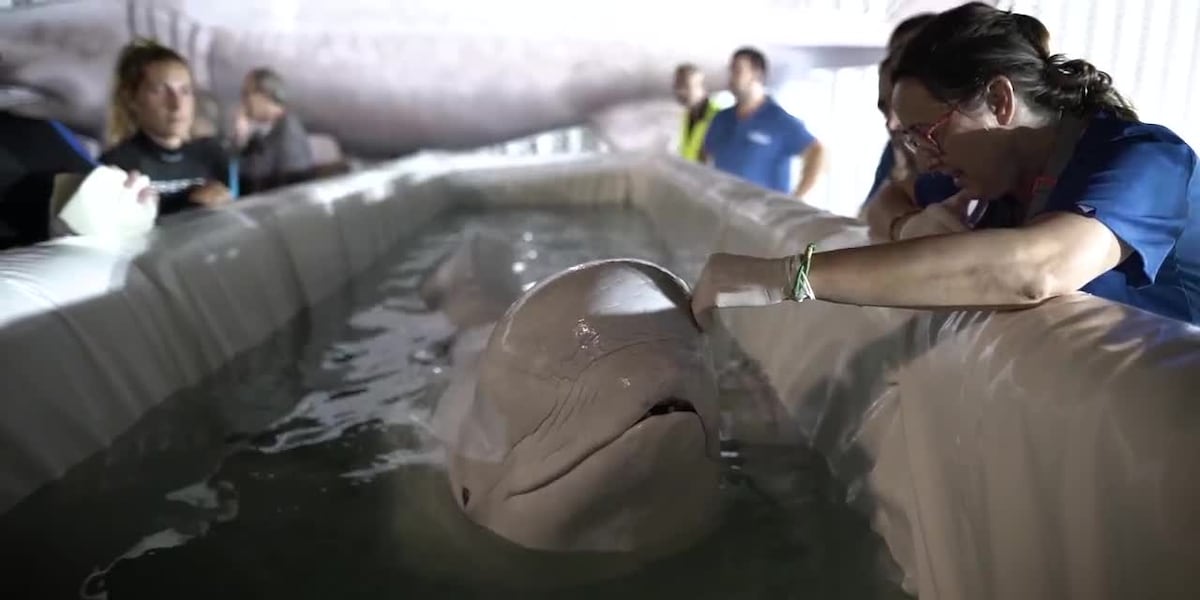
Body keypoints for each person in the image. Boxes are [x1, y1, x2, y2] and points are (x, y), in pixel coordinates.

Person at [690, 4, 1199, 325]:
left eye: (926, 135)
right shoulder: (996, 179)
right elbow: (884, 202)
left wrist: (789, 276)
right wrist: (908, 223)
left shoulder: (1142, 159)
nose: (922, 158)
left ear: (1000, 101)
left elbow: (1037, 268)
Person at [99, 39, 232, 217]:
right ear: (131, 99)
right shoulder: (115, 167)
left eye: (185, 91)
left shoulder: (212, 155)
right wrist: (189, 203)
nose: (176, 104)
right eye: (160, 91)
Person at [859, 11, 960, 241]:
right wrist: (908, 227)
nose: (893, 124)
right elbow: (877, 207)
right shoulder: (899, 154)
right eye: (886, 108)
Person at [703, 47, 825, 198]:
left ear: (756, 74)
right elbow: (705, 155)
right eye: (731, 71)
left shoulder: (778, 120)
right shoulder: (721, 118)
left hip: (762, 216)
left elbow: (817, 152)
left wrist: (797, 198)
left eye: (737, 70)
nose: (731, 77)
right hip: (725, 210)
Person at [238, 67, 315, 194]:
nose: (243, 100)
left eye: (247, 93)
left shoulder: (289, 134)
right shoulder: (266, 131)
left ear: (265, 95)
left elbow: (253, 180)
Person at [672, 63, 719, 163]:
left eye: (686, 85)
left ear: (701, 86)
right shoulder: (687, 116)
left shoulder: (717, 116)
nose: (680, 91)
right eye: (677, 86)